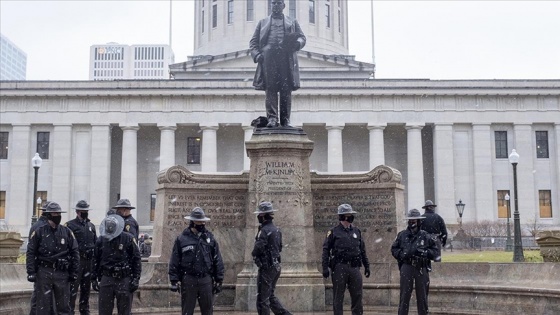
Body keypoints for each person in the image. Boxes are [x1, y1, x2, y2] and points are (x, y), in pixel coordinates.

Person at [249, 0, 306, 128]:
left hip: (286, 59)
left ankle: (285, 120)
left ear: (283, 6)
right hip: (268, 59)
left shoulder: (292, 22)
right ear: (271, 5)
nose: (275, 5)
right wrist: (257, 55)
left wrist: (297, 44)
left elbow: (302, 38)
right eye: (273, 3)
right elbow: (253, 43)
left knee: (286, 90)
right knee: (271, 89)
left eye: (278, 3)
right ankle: (272, 118)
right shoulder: (262, 23)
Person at [26, 201, 80, 315]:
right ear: (49, 215)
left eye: (59, 214)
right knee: (43, 307)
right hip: (44, 271)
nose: (58, 216)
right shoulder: (39, 232)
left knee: (64, 307)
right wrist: (31, 271)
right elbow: (31, 252)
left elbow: (75, 252)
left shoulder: (67, 232)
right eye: (55, 214)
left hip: (62, 272)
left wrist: (74, 271)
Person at [168, 207, 225, 315]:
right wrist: (174, 280)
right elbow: (175, 260)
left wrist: (219, 280)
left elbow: (217, 259)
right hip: (189, 279)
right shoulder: (182, 239)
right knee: (187, 311)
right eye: (200, 221)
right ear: (193, 222)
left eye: (203, 221)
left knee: (207, 311)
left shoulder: (209, 238)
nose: (202, 224)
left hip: (206, 279)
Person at [321, 204, 371, 315]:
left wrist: (366, 265)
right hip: (340, 267)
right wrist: (325, 267)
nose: (350, 218)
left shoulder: (356, 231)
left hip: (354, 267)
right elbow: (325, 250)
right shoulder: (334, 232)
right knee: (338, 295)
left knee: (357, 295)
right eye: (348, 215)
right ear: (342, 217)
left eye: (351, 215)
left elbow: (362, 250)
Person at [391, 209, 440, 315]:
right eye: (411, 220)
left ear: (419, 221)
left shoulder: (425, 236)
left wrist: (425, 253)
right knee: (404, 296)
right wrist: (402, 254)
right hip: (407, 266)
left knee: (422, 297)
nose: (413, 222)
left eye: (415, 220)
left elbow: (436, 252)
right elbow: (394, 249)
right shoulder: (402, 235)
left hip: (421, 268)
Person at [92, 214, 141, 315]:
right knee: (104, 310)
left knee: (124, 311)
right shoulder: (101, 240)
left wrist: (136, 278)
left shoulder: (128, 239)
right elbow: (95, 259)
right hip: (106, 277)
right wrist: (93, 278)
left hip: (123, 278)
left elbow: (136, 259)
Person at [251, 202, 292, 315]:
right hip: (275, 266)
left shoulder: (264, 230)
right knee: (270, 297)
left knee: (262, 300)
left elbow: (258, 248)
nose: (258, 216)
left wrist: (255, 255)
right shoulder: (276, 229)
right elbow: (279, 247)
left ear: (263, 215)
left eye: (259, 214)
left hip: (267, 267)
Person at [65, 200, 97, 315]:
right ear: (78, 212)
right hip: (77, 261)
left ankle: (84, 310)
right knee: (72, 289)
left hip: (88, 261)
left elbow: (95, 243)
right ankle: (70, 311)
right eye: (83, 211)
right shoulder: (70, 225)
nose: (85, 213)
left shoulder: (91, 226)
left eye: (86, 211)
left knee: (86, 289)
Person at [27, 200, 56, 315]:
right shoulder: (42, 227)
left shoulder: (36, 226)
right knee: (40, 295)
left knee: (39, 294)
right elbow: (32, 250)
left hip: (39, 266)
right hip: (42, 266)